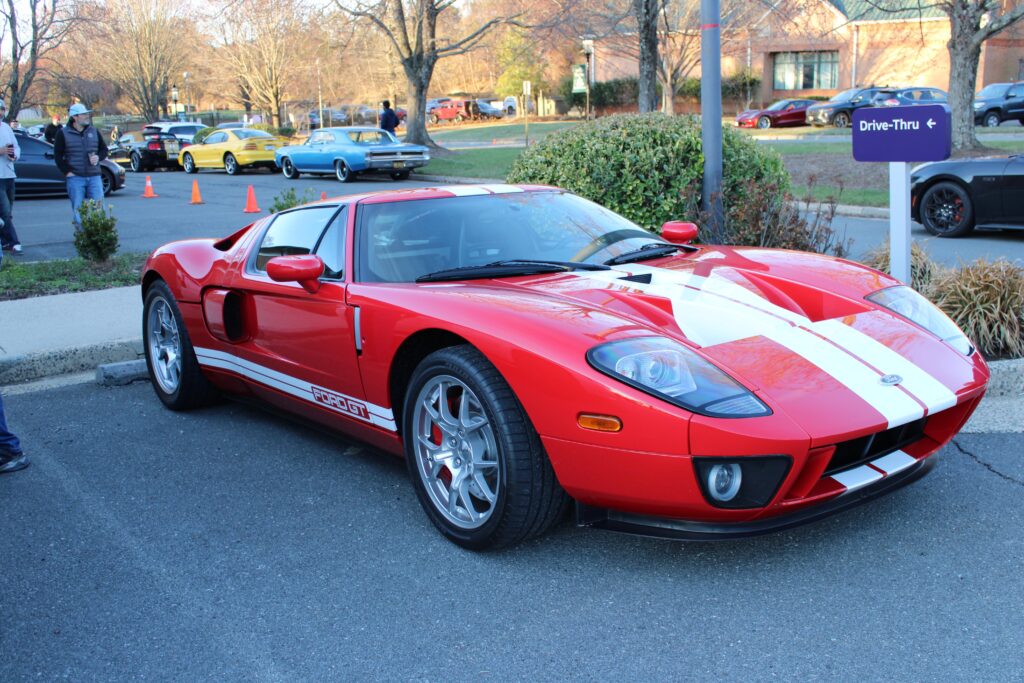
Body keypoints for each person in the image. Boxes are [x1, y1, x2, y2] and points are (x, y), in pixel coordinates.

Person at [53, 103, 108, 228]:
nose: (87, 116)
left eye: (87, 114)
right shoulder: (63, 133)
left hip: (94, 176)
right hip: (75, 177)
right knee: (78, 209)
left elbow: (104, 150)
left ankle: (99, 233)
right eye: (84, 114)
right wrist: (67, 172)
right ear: (75, 117)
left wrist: (98, 157)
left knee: (99, 207)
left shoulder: (94, 131)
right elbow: (57, 156)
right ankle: (82, 235)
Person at [0, 99, 21, 255]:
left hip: (9, 174)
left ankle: (4, 241)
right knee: (5, 211)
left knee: (7, 212)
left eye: (2, 109)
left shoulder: (6, 127)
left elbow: (16, 146)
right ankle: (14, 242)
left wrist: (14, 156)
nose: (1, 112)